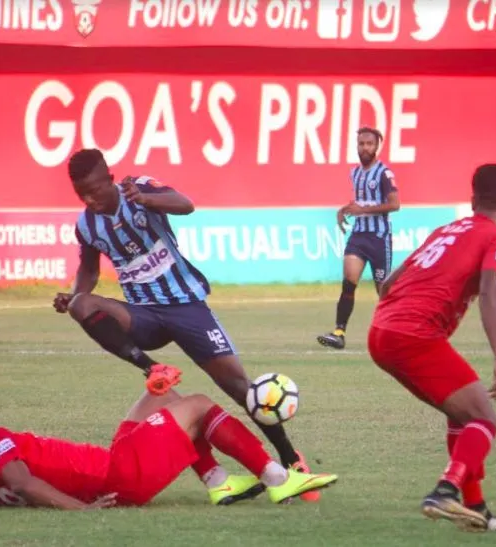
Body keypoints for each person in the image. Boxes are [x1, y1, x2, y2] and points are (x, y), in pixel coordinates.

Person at [53, 148, 320, 502]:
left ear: (110, 178)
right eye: (81, 194)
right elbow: (88, 269)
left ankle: (291, 461)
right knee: (82, 304)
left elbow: (185, 204)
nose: (90, 199)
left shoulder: (140, 188)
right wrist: (72, 295)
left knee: (241, 388)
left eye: (95, 189)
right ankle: (151, 367)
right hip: (143, 315)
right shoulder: (87, 224)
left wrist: (146, 199)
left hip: (186, 306)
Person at [367, 164, 496, 533]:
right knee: (485, 418)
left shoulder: (445, 231)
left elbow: (388, 284)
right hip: (413, 336)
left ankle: (476, 508)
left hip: (381, 330)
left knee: (463, 414)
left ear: (472, 199)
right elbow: (489, 291)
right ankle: (445, 490)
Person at [0, 392, 338, 509]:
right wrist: (82, 512)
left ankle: (219, 482)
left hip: (110, 467)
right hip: (118, 474)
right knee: (197, 405)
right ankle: (277, 477)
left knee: (159, 396)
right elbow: (22, 483)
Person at [317, 127, 401, 350]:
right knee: (348, 283)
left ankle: (397, 333)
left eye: (369, 144)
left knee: (383, 290)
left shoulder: (384, 173)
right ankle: (339, 332)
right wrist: (345, 209)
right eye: (361, 143)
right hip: (359, 236)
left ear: (377, 147)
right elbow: (360, 203)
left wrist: (362, 209)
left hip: (379, 238)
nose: (365, 148)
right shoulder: (355, 173)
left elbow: (394, 204)